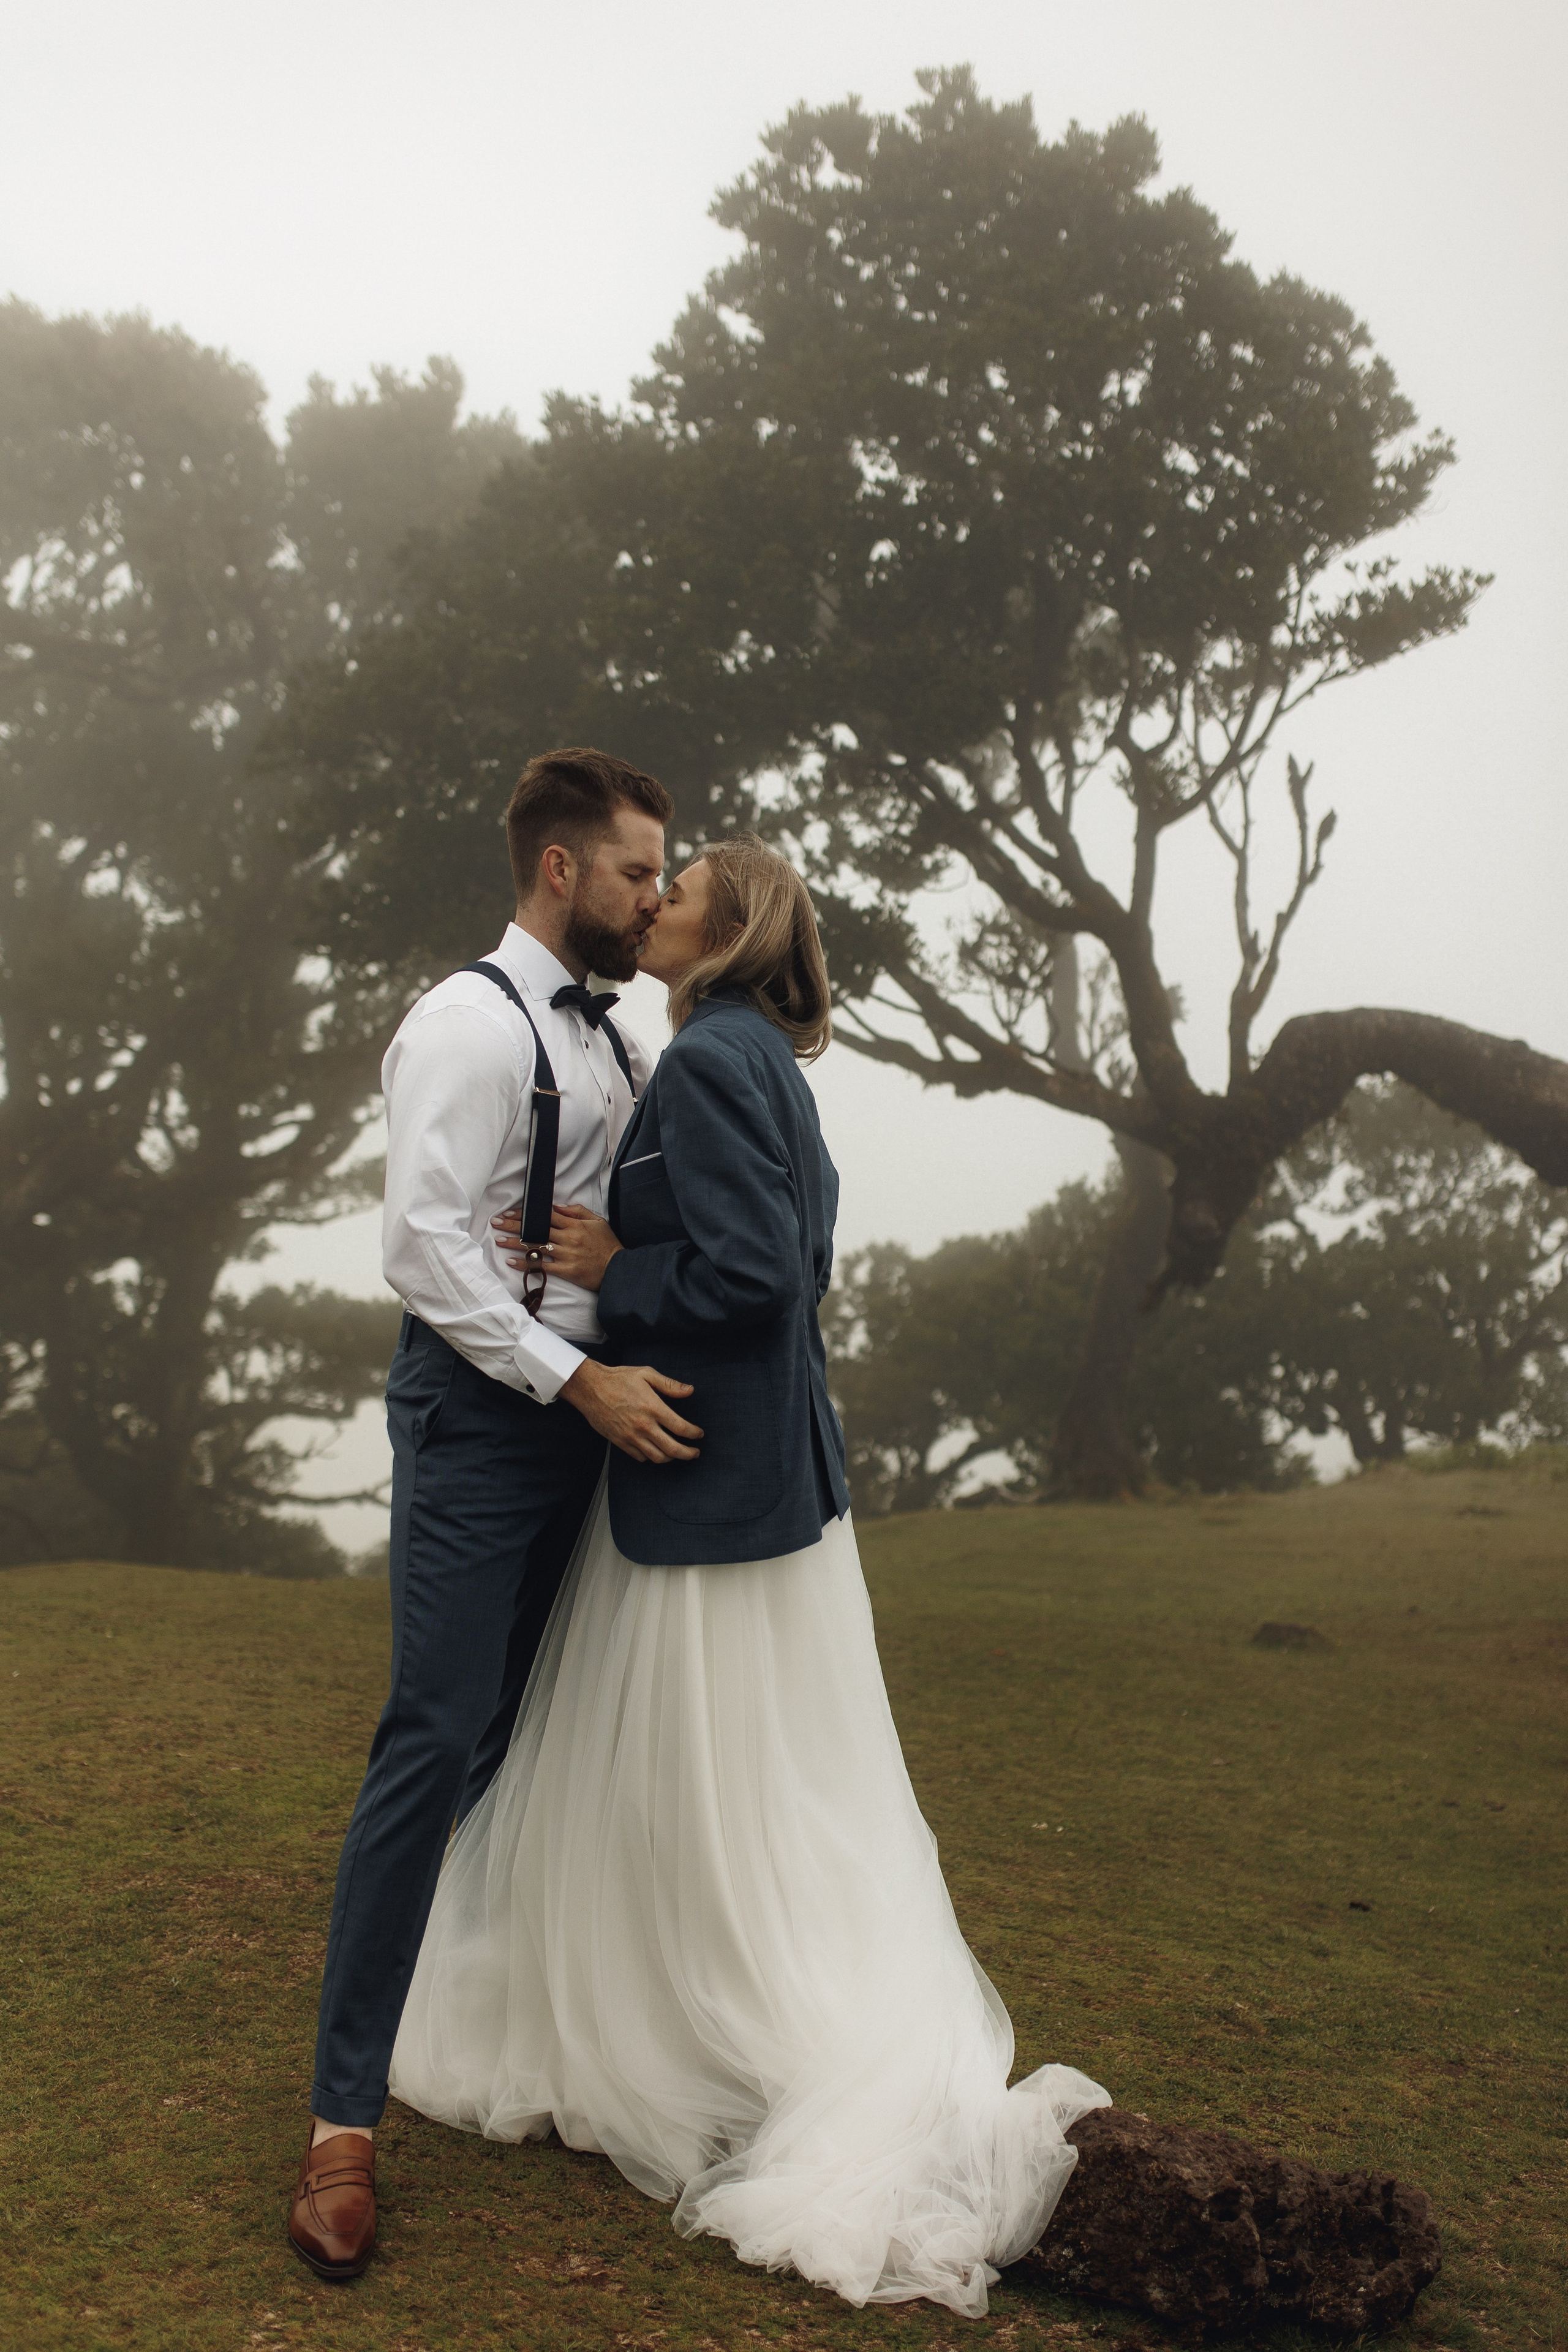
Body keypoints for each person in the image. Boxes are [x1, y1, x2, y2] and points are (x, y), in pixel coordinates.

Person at [388, 834, 1110, 2318]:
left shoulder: (714, 1061)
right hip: (769, 1477)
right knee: (753, 1777)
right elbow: (810, 1244)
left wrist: (614, 1268)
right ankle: (705, 2006)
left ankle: (701, 2027)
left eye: (682, 885)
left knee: (687, 1775)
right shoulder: (758, 1058)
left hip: (705, 1479)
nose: (656, 900)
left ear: (730, 925)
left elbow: (769, 1270)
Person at [289, 747, 709, 2283]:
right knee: (435, 1733)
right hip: (484, 1421)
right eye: (637, 871)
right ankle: (341, 2126)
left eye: (660, 874)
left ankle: (477, 2026)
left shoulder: (623, 1043)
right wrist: (572, 1380)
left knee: (537, 1738)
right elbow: (420, 1251)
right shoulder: (465, 1027)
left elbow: (613, 1230)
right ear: (558, 868)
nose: (653, 896)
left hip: (598, 1427)